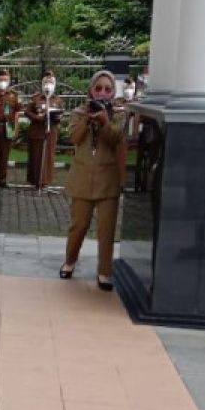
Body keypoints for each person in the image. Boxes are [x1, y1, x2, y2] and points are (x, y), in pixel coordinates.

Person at [60, 70, 126, 291]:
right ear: (91, 89)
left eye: (108, 89)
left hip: (108, 180)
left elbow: (117, 138)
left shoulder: (118, 113)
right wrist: (88, 120)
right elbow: (74, 138)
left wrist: (105, 121)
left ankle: (104, 272)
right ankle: (69, 262)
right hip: (82, 178)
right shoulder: (79, 112)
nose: (103, 93)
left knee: (106, 230)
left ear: (113, 92)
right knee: (79, 226)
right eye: (98, 88)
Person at [25, 71, 63, 189]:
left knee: (48, 157)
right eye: (46, 81)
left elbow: (61, 114)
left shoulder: (57, 100)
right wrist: (37, 117)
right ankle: (35, 180)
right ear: (42, 83)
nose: (48, 84)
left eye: (50, 81)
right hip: (37, 131)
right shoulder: (36, 98)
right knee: (36, 156)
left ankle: (45, 181)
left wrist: (56, 116)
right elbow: (27, 112)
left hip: (50, 131)